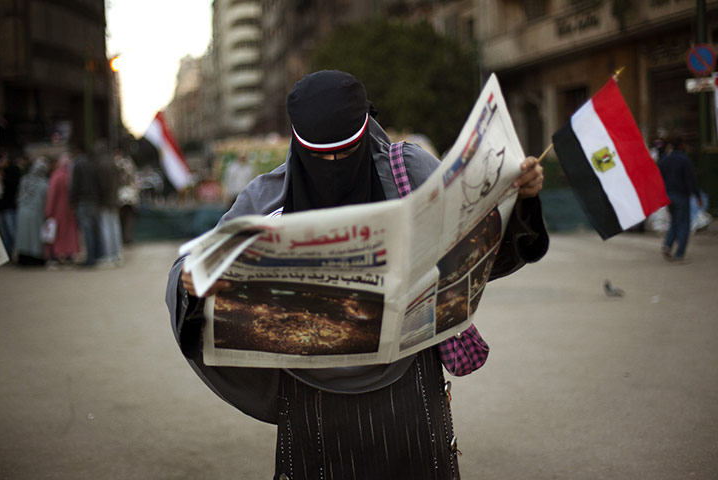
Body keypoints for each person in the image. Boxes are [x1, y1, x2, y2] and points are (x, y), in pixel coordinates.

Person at [166, 70, 549, 479]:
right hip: (311, 397)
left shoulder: (409, 171)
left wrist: (520, 197)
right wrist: (196, 284)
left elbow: (480, 236)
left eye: (345, 153)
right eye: (320, 156)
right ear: (298, 144)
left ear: (367, 129)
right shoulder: (265, 197)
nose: (332, 165)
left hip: (406, 390)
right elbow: (193, 272)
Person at [658, 137, 702, 263]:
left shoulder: (665, 160)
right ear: (682, 146)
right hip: (681, 195)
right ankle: (679, 254)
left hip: (668, 194)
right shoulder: (684, 160)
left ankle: (668, 244)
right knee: (683, 224)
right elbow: (691, 180)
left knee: (674, 221)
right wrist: (697, 195)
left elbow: (658, 176)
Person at [44, 152, 81, 266]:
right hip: (70, 210)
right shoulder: (72, 176)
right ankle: (69, 254)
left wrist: (48, 211)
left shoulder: (56, 176)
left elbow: (52, 195)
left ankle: (57, 254)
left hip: (58, 210)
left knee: (58, 233)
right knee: (69, 233)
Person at [15, 157, 50, 265]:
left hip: (22, 211)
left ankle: (23, 258)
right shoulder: (44, 184)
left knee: (23, 236)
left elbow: (19, 195)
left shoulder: (24, 180)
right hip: (36, 212)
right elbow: (46, 200)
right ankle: (36, 259)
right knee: (35, 237)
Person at [70, 150, 101, 266]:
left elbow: (74, 184)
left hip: (82, 201)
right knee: (94, 230)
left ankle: (90, 258)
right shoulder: (93, 164)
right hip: (93, 200)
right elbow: (99, 183)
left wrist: (72, 202)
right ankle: (96, 256)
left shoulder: (77, 165)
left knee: (87, 231)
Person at [96, 146, 123, 266]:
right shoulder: (113, 163)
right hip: (114, 198)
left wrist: (99, 199)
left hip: (105, 200)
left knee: (106, 227)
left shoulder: (100, 165)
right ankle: (117, 254)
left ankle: (109, 255)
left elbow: (101, 185)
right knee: (115, 226)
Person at [0, 151, 22, 259]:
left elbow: (14, 186)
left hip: (10, 207)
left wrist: (3, 176)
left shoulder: (13, 170)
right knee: (4, 234)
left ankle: (18, 253)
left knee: (13, 232)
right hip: (1, 207)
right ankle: (8, 255)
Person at [115, 149, 139, 245]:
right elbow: (135, 180)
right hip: (130, 195)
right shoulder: (129, 163)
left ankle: (122, 238)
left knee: (121, 219)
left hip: (120, 195)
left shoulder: (116, 163)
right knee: (129, 219)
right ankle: (127, 238)